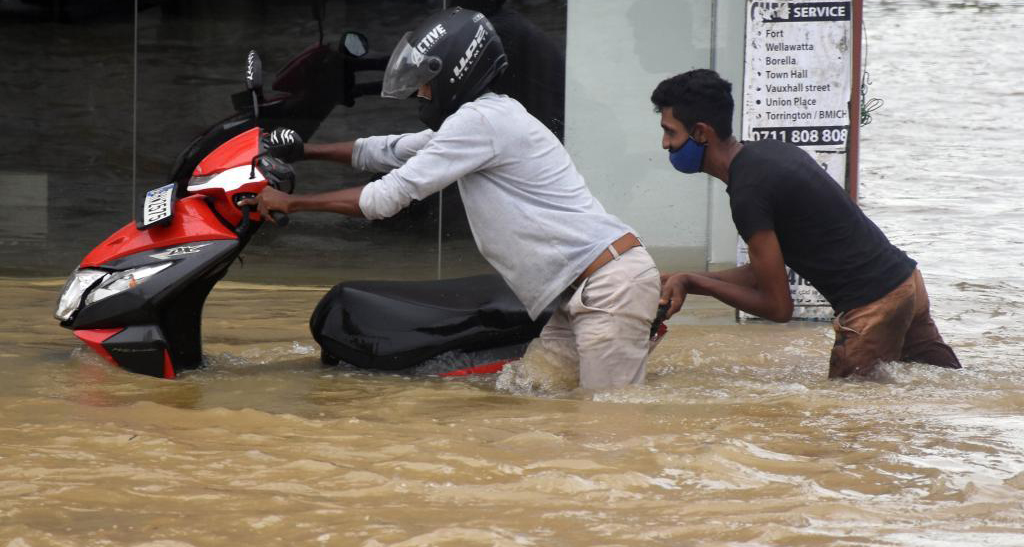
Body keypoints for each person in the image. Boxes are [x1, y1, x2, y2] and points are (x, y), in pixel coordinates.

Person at [242, 7, 661, 390]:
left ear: (455, 73)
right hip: (583, 293)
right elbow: (389, 149)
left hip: (606, 288)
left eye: (425, 82)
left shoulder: (480, 123)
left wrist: (291, 202)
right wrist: (304, 150)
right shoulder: (486, 118)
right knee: (530, 396)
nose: (421, 92)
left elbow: (384, 198)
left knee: (608, 431)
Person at [651, 69, 961, 379]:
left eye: (671, 132)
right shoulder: (768, 155)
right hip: (906, 283)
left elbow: (778, 307)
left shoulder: (748, 194)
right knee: (947, 391)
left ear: (701, 133)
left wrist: (694, 283)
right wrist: (686, 277)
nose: (665, 144)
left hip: (873, 307)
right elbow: (760, 275)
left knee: (849, 418)